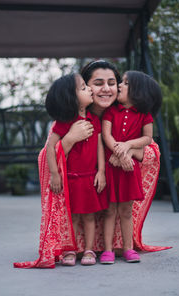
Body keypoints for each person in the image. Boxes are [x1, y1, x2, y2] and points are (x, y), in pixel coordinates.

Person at [13, 60, 171, 269]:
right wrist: (69, 139)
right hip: (81, 187)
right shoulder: (69, 118)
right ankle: (76, 246)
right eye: (97, 83)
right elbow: (45, 156)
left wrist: (128, 151)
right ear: (84, 88)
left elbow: (152, 150)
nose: (106, 89)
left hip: (114, 185)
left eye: (112, 82)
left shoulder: (125, 110)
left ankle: (116, 245)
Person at [100, 70, 162, 264]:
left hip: (129, 170)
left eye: (125, 83)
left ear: (138, 91)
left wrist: (127, 146)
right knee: (109, 211)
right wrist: (118, 151)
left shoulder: (144, 115)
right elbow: (106, 135)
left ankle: (128, 248)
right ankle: (108, 250)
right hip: (112, 169)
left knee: (126, 211)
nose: (119, 85)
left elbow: (147, 138)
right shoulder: (111, 111)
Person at [44, 73, 107, 266]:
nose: (89, 89)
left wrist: (101, 171)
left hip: (89, 178)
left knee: (89, 217)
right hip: (69, 179)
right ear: (71, 99)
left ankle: (89, 250)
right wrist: (55, 174)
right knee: (71, 217)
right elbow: (50, 149)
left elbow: (99, 147)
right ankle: (70, 250)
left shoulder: (94, 120)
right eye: (83, 88)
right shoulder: (64, 124)